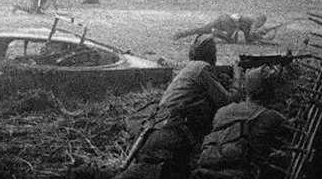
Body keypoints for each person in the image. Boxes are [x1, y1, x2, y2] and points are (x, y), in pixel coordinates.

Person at [115, 34, 232, 179]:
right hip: (172, 135)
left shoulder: (190, 69)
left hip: (156, 130)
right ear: (211, 54)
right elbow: (227, 103)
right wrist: (239, 78)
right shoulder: (202, 68)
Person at [192, 65, 291, 179]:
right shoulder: (272, 117)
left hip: (205, 173)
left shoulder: (222, 112)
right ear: (269, 91)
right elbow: (290, 138)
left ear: (246, 88)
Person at [173, 14, 268, 44]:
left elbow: (248, 39)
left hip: (224, 19)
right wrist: (262, 37)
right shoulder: (253, 22)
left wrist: (258, 39)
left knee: (203, 29)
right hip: (227, 21)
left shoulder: (251, 22)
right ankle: (216, 32)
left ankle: (179, 34)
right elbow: (251, 34)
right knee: (229, 38)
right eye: (261, 23)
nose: (260, 24)